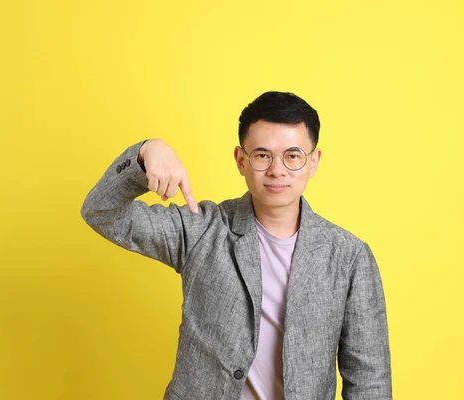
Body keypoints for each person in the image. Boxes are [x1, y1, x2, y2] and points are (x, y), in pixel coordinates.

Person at [81, 91, 392, 399]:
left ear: (313, 162)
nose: (277, 170)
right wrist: (146, 151)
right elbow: (101, 212)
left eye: (293, 156)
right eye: (262, 155)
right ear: (241, 160)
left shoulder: (349, 257)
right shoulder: (202, 229)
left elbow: (369, 379)